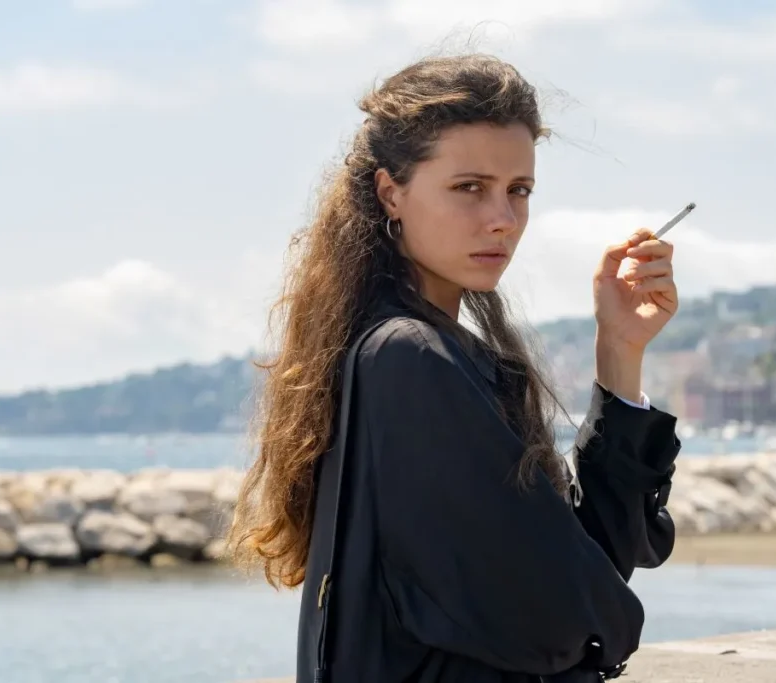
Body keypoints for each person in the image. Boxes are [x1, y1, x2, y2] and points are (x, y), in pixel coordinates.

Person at [227, 53, 681, 683]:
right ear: (392, 191)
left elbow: (595, 560)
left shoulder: (413, 349)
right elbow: (569, 612)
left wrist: (620, 351)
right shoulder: (409, 357)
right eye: (469, 187)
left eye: (518, 191)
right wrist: (596, 603)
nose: (503, 217)